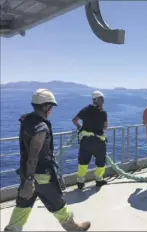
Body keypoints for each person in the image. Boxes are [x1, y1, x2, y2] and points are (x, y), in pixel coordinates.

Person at [4, 89, 91, 231]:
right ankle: (73, 227)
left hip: (27, 172)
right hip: (41, 174)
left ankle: (12, 228)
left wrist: (27, 178)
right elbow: (33, 155)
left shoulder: (27, 120)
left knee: (24, 203)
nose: (51, 110)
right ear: (46, 106)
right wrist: (30, 181)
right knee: (57, 200)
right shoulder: (41, 128)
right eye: (51, 107)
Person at [72, 90, 108, 190]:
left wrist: (80, 128)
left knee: (83, 162)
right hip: (99, 141)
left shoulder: (85, 110)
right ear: (100, 99)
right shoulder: (103, 112)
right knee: (101, 161)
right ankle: (99, 180)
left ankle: (80, 182)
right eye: (102, 99)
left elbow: (74, 120)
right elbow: (105, 127)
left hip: (86, 140)